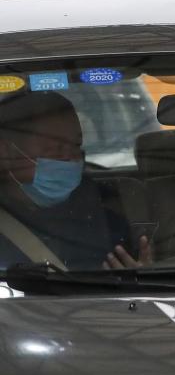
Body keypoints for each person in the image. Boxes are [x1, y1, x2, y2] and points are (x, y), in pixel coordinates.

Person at [0, 91, 151, 270]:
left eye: (76, 146)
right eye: (56, 149)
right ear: (6, 153)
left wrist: (140, 277)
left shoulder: (104, 212)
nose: (71, 160)